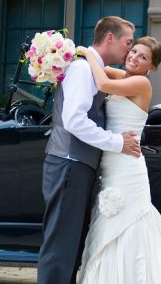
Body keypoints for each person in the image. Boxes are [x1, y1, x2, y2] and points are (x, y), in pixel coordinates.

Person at [77, 36, 161, 283]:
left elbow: (101, 81)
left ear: (152, 67)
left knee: (129, 222)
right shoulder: (124, 76)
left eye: (143, 57)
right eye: (133, 51)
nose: (134, 57)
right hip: (111, 162)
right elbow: (101, 69)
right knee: (110, 221)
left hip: (126, 166)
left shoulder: (140, 83)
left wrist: (84, 50)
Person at [38, 16, 142, 284]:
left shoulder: (92, 68)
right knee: (61, 245)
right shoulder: (83, 70)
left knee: (70, 243)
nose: (129, 50)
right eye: (128, 43)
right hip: (68, 163)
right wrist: (117, 142)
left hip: (75, 165)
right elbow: (74, 121)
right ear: (110, 38)